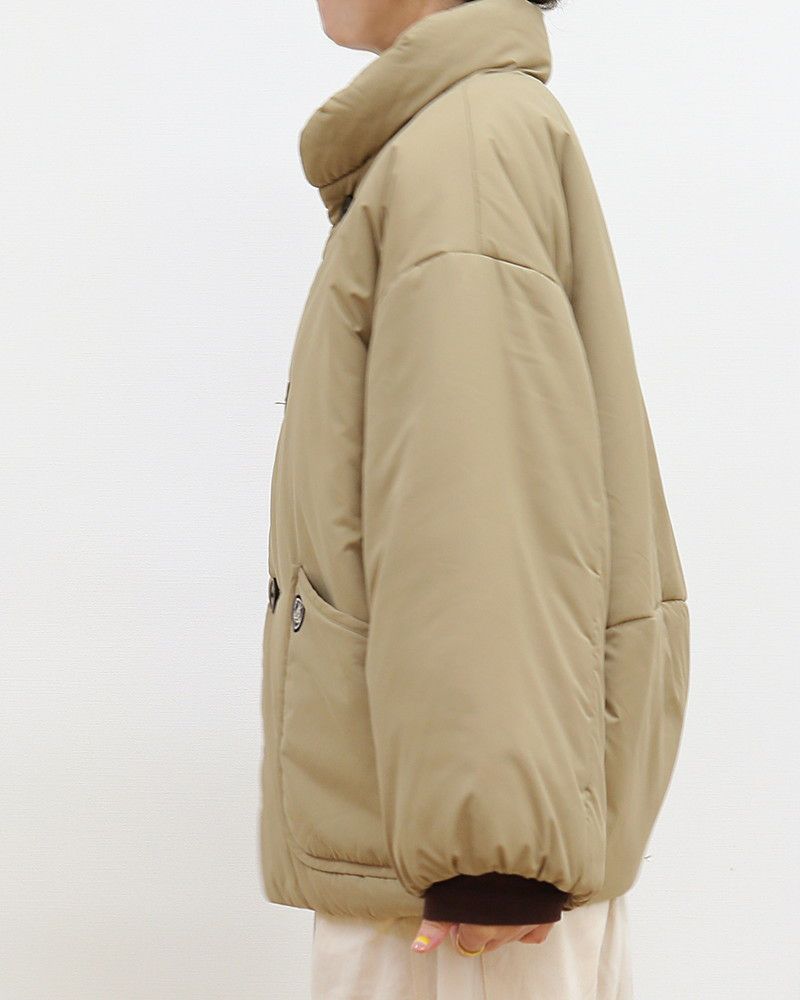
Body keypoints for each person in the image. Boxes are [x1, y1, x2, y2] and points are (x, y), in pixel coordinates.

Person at [258, 0, 691, 996]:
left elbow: (485, 503)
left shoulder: (458, 147)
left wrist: (490, 853)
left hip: (457, 897)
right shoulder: (460, 133)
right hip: (449, 850)